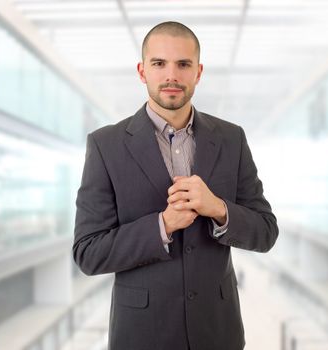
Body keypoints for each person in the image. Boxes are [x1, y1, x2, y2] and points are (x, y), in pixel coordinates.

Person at [73, 21, 279, 350]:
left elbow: (267, 232)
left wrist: (218, 209)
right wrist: (162, 226)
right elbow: (87, 252)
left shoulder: (231, 138)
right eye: (159, 64)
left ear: (198, 72)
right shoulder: (105, 145)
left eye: (183, 64)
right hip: (141, 335)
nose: (172, 75)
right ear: (142, 71)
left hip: (218, 331)